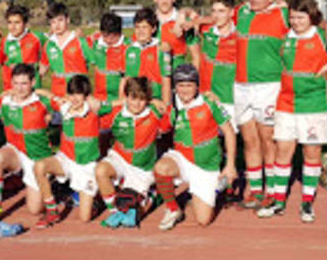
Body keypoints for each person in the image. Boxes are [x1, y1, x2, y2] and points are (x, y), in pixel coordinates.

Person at [261, 0, 327, 222]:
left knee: (311, 152)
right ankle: (279, 201)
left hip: (314, 104)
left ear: (311, 17)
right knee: (283, 151)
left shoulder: (322, 36)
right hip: (286, 102)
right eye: (293, 18)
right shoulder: (285, 36)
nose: (296, 22)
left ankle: (307, 203)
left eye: (301, 18)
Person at [152, 64, 237, 231]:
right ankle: (173, 209)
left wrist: (230, 165)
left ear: (197, 86)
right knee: (161, 167)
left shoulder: (210, 103)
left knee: (204, 220)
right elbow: (159, 130)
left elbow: (229, 131)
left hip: (206, 166)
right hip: (182, 159)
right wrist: (153, 104)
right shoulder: (172, 107)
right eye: (181, 85)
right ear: (175, 87)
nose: (185, 90)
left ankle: (214, 189)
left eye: (189, 85)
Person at [231, 0, 291, 209]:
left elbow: (313, 20)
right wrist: (194, 19)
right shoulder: (242, 12)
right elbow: (221, 17)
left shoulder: (283, 14)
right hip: (241, 85)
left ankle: (273, 191)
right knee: (249, 140)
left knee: (268, 139)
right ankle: (255, 190)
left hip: (268, 86)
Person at [0, 63, 55, 225]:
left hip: (37, 157)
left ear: (33, 83)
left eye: (24, 83)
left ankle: (49, 180)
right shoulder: (6, 102)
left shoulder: (43, 103)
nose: (19, 88)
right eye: (15, 83)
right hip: (15, 151)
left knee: (35, 210)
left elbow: (64, 103)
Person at [94, 77, 168, 228]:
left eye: (141, 99)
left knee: (135, 218)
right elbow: (93, 107)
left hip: (143, 168)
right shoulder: (116, 112)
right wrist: (120, 102)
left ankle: (154, 195)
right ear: (126, 97)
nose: (137, 104)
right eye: (133, 98)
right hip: (120, 159)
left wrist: (155, 101)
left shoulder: (154, 112)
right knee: (101, 170)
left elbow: (173, 112)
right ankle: (115, 211)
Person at [31, 75, 102, 227]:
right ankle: (52, 211)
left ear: (86, 95)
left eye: (79, 94)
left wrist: (153, 100)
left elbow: (120, 104)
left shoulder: (95, 109)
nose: (75, 98)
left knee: (85, 218)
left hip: (86, 166)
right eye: (72, 93)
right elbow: (48, 96)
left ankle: (95, 199)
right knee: (40, 166)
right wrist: (34, 89)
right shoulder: (64, 107)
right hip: (66, 159)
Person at [122, 7, 172, 109]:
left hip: (155, 102)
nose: (140, 31)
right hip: (134, 103)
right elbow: (126, 79)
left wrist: (166, 106)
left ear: (153, 29)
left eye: (144, 27)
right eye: (137, 27)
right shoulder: (129, 50)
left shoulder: (161, 49)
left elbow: (166, 80)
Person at [150, 0, 197, 69]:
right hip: (154, 77)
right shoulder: (147, 21)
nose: (164, 1)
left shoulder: (183, 21)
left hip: (178, 76)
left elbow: (196, 57)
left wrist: (191, 80)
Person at [0, 4, 44, 92]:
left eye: (17, 22)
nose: (13, 26)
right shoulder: (4, 41)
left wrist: (44, 66)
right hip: (12, 89)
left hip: (33, 89)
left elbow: (56, 41)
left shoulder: (37, 38)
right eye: (9, 22)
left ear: (25, 24)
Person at [87, 12, 129, 102]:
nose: (109, 40)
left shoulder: (128, 47)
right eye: (105, 36)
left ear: (120, 33)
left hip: (120, 99)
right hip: (99, 97)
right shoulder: (95, 42)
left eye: (114, 37)